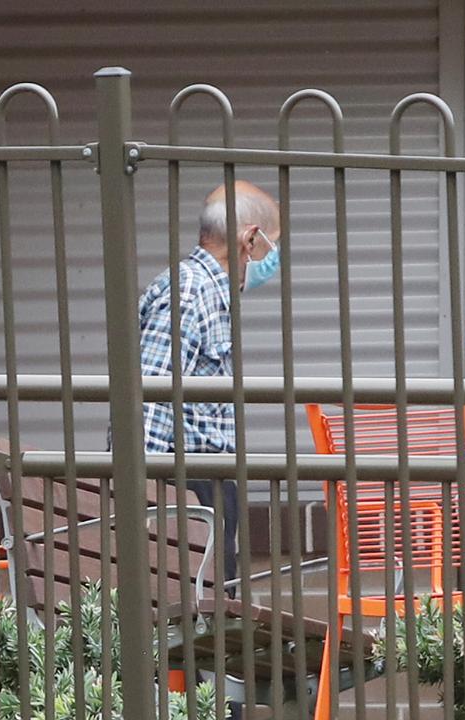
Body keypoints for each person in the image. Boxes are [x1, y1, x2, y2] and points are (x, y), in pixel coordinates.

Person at [137, 179, 281, 585]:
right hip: (185, 485)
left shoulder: (206, 292)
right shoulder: (190, 293)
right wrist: (143, 498)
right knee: (204, 613)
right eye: (271, 246)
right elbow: (151, 394)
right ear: (250, 240)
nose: (272, 259)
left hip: (199, 480)